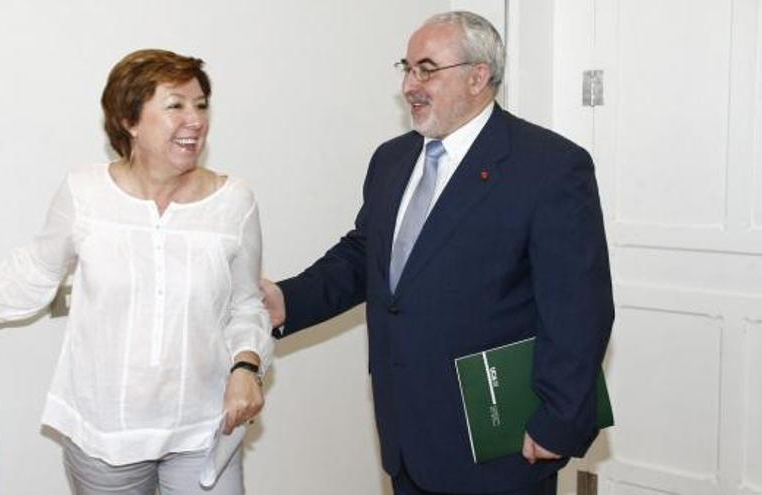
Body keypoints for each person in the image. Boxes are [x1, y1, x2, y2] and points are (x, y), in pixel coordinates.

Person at [261, 11, 613, 495]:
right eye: (406, 68)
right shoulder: (391, 159)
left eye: (426, 69)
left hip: (498, 443)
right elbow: (368, 256)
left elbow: (580, 309)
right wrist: (288, 300)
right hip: (406, 433)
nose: (409, 84)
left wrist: (559, 420)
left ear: (477, 76)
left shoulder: (549, 166)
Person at [0, 49, 273, 495]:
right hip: (105, 431)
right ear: (129, 120)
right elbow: (37, 268)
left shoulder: (234, 201)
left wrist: (246, 368)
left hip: (204, 424)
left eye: (200, 105)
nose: (194, 120)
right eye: (175, 105)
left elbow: (246, 302)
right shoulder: (85, 192)